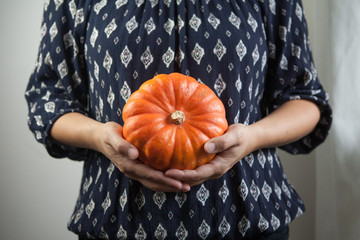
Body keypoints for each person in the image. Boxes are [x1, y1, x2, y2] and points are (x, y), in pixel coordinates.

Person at [25, 0, 332, 239]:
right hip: (117, 218)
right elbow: (47, 99)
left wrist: (252, 138)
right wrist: (99, 137)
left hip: (249, 216)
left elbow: (305, 98)